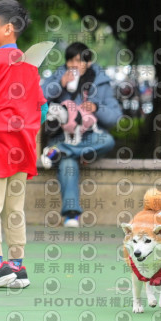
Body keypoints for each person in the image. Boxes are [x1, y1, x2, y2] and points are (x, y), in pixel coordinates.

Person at [41, 42, 122, 228]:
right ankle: (72, 215)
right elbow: (38, 100)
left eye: (79, 61)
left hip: (90, 137)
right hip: (62, 135)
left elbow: (115, 117)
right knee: (67, 162)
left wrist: (96, 108)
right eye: (70, 61)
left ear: (89, 62)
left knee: (107, 140)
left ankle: (58, 151)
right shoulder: (58, 76)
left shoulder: (101, 81)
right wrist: (59, 85)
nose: (74, 65)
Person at [0, 0, 44, 288]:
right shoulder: (28, 65)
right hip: (22, 147)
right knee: (14, 208)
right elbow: (42, 108)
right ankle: (17, 266)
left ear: (8, 28)